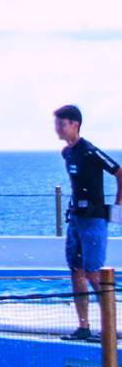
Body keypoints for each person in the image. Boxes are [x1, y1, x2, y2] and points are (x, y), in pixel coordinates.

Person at [56, 104, 121, 341]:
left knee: (95, 274)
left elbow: (119, 172)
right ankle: (83, 326)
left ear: (75, 124)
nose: (57, 128)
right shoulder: (67, 152)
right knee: (76, 272)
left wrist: (117, 207)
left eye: (61, 124)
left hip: (94, 220)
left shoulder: (90, 151)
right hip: (76, 219)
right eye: (56, 124)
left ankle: (109, 328)